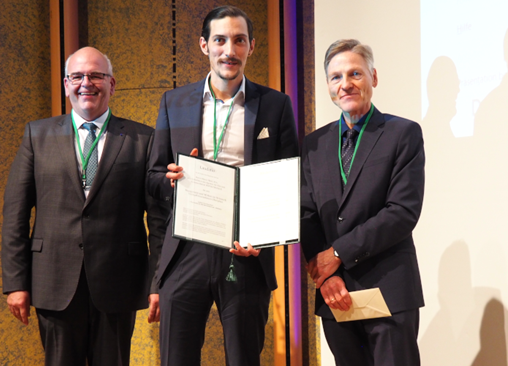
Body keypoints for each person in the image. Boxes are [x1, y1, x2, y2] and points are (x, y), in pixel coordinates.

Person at [147, 6, 299, 366]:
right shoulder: (174, 101)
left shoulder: (276, 105)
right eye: (220, 40)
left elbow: (290, 181)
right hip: (185, 249)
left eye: (238, 40)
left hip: (244, 250)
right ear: (204, 46)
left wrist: (263, 239)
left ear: (251, 46)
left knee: (245, 359)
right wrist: (171, 181)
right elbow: (152, 177)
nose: (229, 50)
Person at [1, 46, 168, 366]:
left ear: (112, 84)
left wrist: (157, 282)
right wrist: (15, 282)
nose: (86, 83)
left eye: (96, 75)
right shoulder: (37, 135)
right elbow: (15, 214)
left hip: (118, 282)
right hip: (53, 281)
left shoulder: (143, 139)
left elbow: (159, 219)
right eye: (77, 76)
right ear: (66, 84)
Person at [300, 39, 425, 366]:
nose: (346, 84)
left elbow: (402, 212)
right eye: (336, 77)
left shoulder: (403, 134)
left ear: (373, 77)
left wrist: (338, 255)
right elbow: (306, 214)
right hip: (335, 294)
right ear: (328, 86)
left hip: (389, 293)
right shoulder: (313, 145)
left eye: (355, 73)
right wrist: (327, 276)